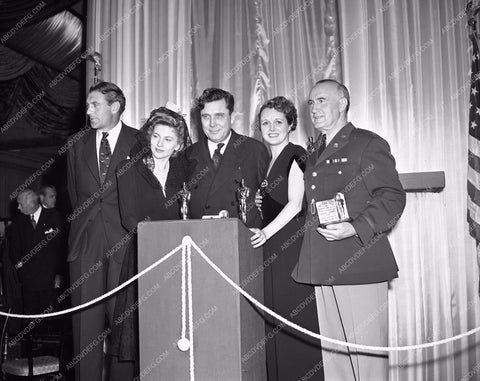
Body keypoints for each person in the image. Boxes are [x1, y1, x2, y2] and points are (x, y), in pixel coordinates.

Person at [293, 79, 406, 380]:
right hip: (323, 261)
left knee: (366, 360)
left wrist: (355, 228)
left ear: (342, 102)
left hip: (358, 259)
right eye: (311, 103)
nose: (313, 108)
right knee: (336, 361)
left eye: (321, 101)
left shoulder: (367, 143)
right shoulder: (315, 151)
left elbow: (392, 196)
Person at [111, 106, 192, 377]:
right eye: (156, 137)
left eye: (168, 140)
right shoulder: (128, 168)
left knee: (175, 329)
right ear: (148, 137)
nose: (160, 144)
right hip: (144, 257)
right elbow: (129, 218)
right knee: (145, 333)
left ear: (179, 144)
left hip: (179, 258)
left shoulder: (183, 173)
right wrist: (158, 242)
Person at [66, 81, 137, 381]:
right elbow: (74, 194)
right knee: (85, 327)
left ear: (115, 106)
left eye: (94, 104)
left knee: (124, 325)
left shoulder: (140, 141)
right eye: (87, 105)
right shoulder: (75, 145)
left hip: (127, 241)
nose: (88, 111)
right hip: (85, 243)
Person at [249, 97, 324, 381]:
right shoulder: (270, 160)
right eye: (265, 122)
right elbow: (279, 200)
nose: (271, 127)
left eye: (278, 121)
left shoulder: (296, 153)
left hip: (290, 245)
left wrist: (266, 231)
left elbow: (295, 204)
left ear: (291, 124)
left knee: (294, 318)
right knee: (276, 320)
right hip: (273, 247)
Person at [185, 88, 269, 228]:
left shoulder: (255, 150)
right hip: (201, 242)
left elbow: (270, 200)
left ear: (233, 117)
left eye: (219, 116)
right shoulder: (188, 155)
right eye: (206, 117)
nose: (212, 124)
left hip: (244, 241)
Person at [10, 189, 64, 316]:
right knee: (30, 317)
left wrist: (59, 274)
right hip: (29, 280)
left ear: (32, 204)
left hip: (50, 279)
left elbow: (61, 248)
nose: (18, 207)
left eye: (20, 204)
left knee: (50, 317)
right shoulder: (18, 222)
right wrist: (21, 270)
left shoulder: (54, 216)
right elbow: (14, 250)